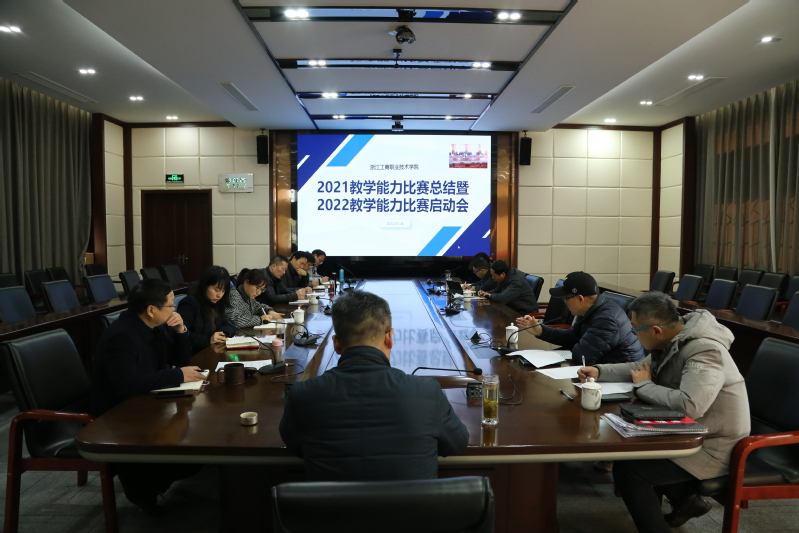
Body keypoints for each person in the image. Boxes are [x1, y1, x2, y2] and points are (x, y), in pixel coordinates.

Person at [578, 292, 750, 532]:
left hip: (715, 443)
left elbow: (690, 405)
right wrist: (600, 371)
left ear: (656, 330)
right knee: (631, 454)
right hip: (690, 430)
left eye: (635, 330)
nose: (633, 335)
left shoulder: (705, 351)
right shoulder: (673, 338)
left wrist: (644, 386)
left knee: (631, 472)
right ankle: (686, 501)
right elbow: (641, 368)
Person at [279, 290, 469, 481]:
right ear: (389, 338)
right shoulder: (427, 392)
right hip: (410, 502)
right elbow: (458, 443)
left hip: (331, 502)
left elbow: (295, 446)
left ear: (336, 344)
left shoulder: (303, 395)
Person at [90, 279, 205, 514]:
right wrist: (177, 375)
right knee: (191, 452)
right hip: (118, 414)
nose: (174, 309)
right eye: (171, 305)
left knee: (196, 442)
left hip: (144, 401)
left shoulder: (154, 326)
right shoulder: (122, 335)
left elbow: (180, 360)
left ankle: (149, 485)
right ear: (151, 309)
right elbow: (126, 385)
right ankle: (142, 490)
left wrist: (181, 331)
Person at [516, 271, 644, 365]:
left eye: (566, 298)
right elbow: (572, 336)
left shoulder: (606, 320)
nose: (565, 303)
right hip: (602, 368)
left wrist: (577, 343)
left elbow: (582, 357)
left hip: (624, 377)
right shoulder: (590, 309)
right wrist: (541, 330)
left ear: (580, 298)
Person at [177, 265, 236, 354]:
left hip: (213, 351)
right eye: (217, 290)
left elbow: (230, 323)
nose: (220, 295)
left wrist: (223, 333)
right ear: (205, 286)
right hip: (195, 355)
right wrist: (209, 339)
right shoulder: (190, 303)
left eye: (223, 291)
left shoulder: (216, 302)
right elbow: (182, 335)